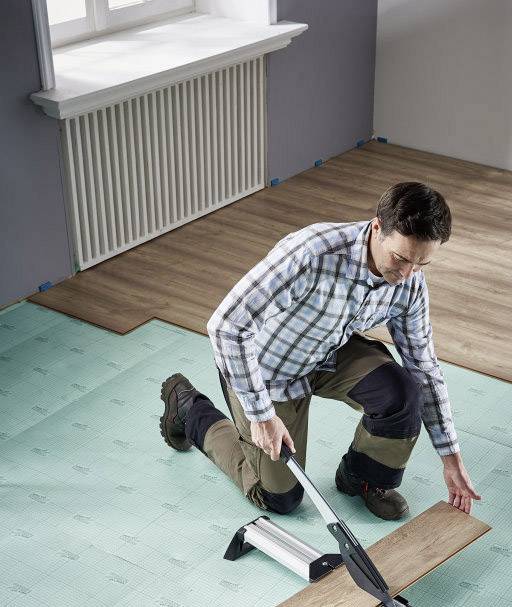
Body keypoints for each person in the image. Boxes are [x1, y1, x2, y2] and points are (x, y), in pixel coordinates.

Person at [159, 181, 481, 520]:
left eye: (421, 264)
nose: (407, 274)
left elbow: (424, 366)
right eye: (400, 258)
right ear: (377, 228)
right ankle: (191, 411)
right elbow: (226, 326)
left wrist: (451, 458)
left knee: (403, 393)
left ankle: (363, 479)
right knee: (279, 497)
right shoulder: (312, 253)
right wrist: (261, 416)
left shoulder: (409, 281)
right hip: (267, 371)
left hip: (329, 352)